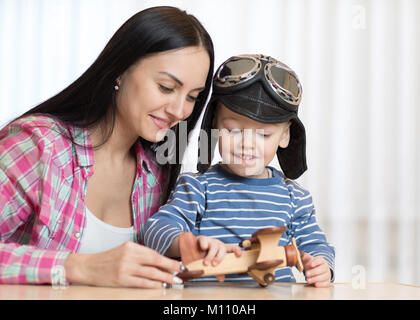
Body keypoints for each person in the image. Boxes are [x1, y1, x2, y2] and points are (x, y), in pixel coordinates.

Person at [0, 6, 214, 288]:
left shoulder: (156, 174)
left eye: (193, 97)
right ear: (120, 71)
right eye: (166, 87)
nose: (179, 110)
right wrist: (81, 267)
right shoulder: (39, 146)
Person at [144, 54, 335, 287]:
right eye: (233, 130)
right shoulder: (196, 187)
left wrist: (321, 265)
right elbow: (155, 229)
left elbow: (315, 244)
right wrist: (185, 242)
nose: (247, 144)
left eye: (263, 135)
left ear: (285, 135)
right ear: (214, 125)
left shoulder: (296, 197)